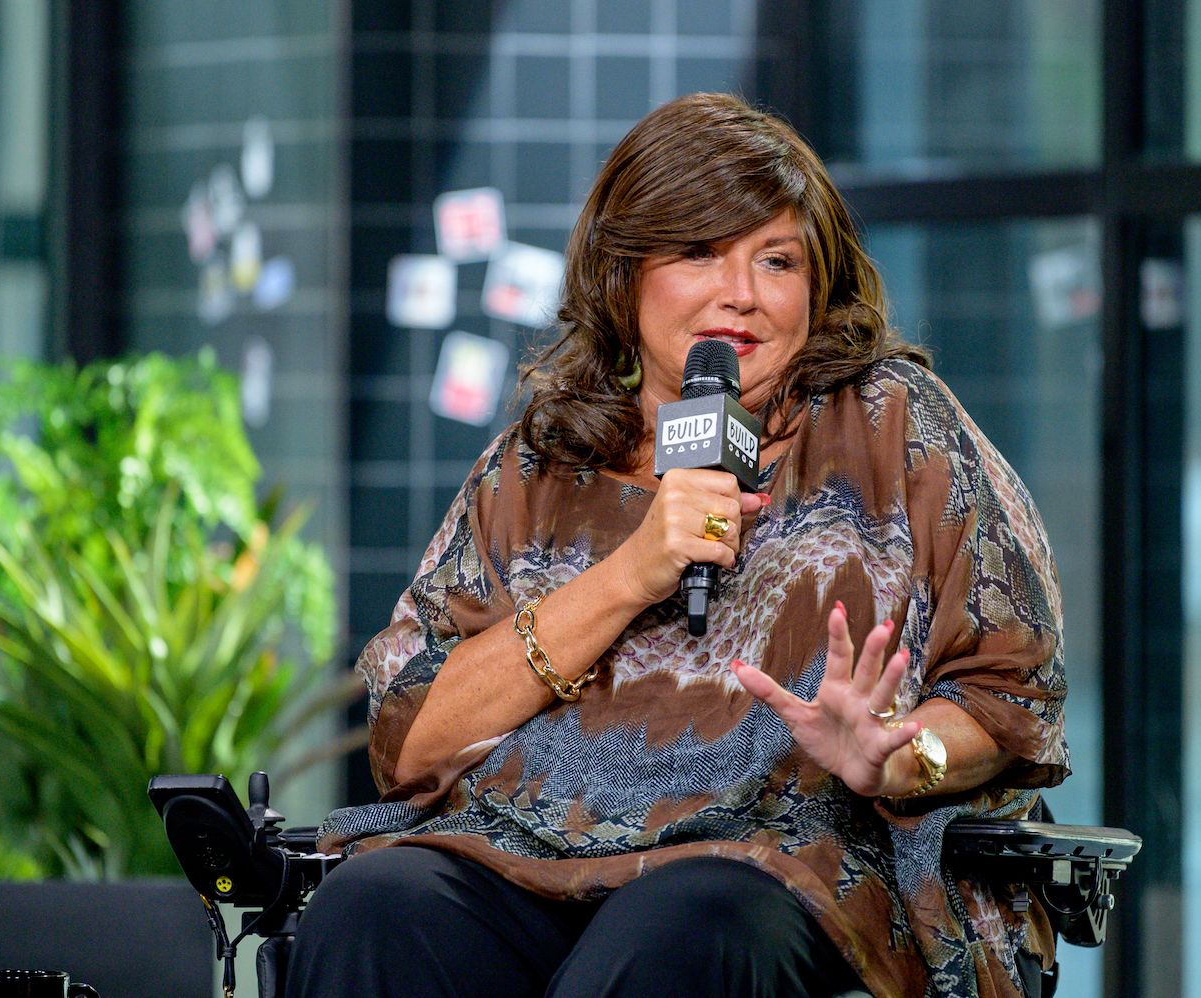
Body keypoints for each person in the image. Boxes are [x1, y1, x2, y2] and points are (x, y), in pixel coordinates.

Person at [288, 92, 1070, 998]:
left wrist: (899, 752)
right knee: (370, 908)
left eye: (776, 260)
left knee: (680, 927)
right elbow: (411, 739)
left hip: (785, 863)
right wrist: (630, 572)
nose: (741, 293)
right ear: (623, 275)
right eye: (699, 252)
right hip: (526, 854)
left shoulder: (890, 424)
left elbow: (1010, 689)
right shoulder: (537, 464)